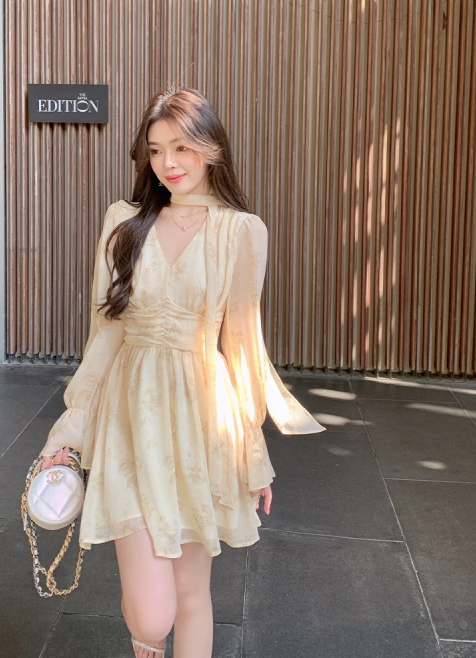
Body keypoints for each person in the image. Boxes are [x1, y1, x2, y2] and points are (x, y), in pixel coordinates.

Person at [39, 87, 325, 658]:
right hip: (129, 417)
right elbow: (105, 335)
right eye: (155, 150)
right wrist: (67, 433)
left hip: (203, 419)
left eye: (182, 147)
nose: (168, 163)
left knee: (193, 594)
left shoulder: (241, 231)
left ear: (211, 148)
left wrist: (253, 456)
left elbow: (242, 345)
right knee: (152, 614)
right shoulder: (124, 222)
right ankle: (146, 643)